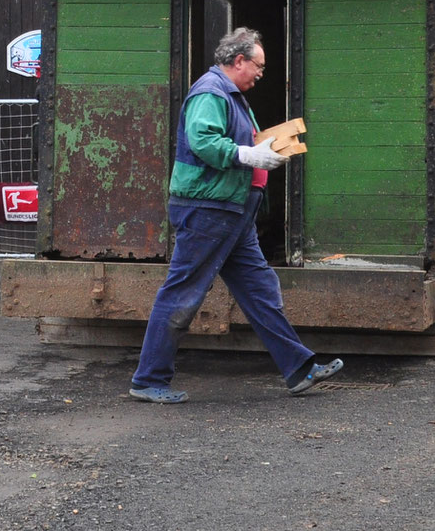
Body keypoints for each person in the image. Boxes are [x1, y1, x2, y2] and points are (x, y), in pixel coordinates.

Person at [130, 28, 343, 404]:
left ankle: (298, 368)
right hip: (208, 210)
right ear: (239, 60)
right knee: (182, 293)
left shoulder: (233, 96)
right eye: (258, 66)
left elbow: (235, 141)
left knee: (259, 291)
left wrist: (263, 148)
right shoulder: (211, 93)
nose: (261, 73)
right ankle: (148, 380)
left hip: (231, 211)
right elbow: (205, 142)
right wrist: (250, 156)